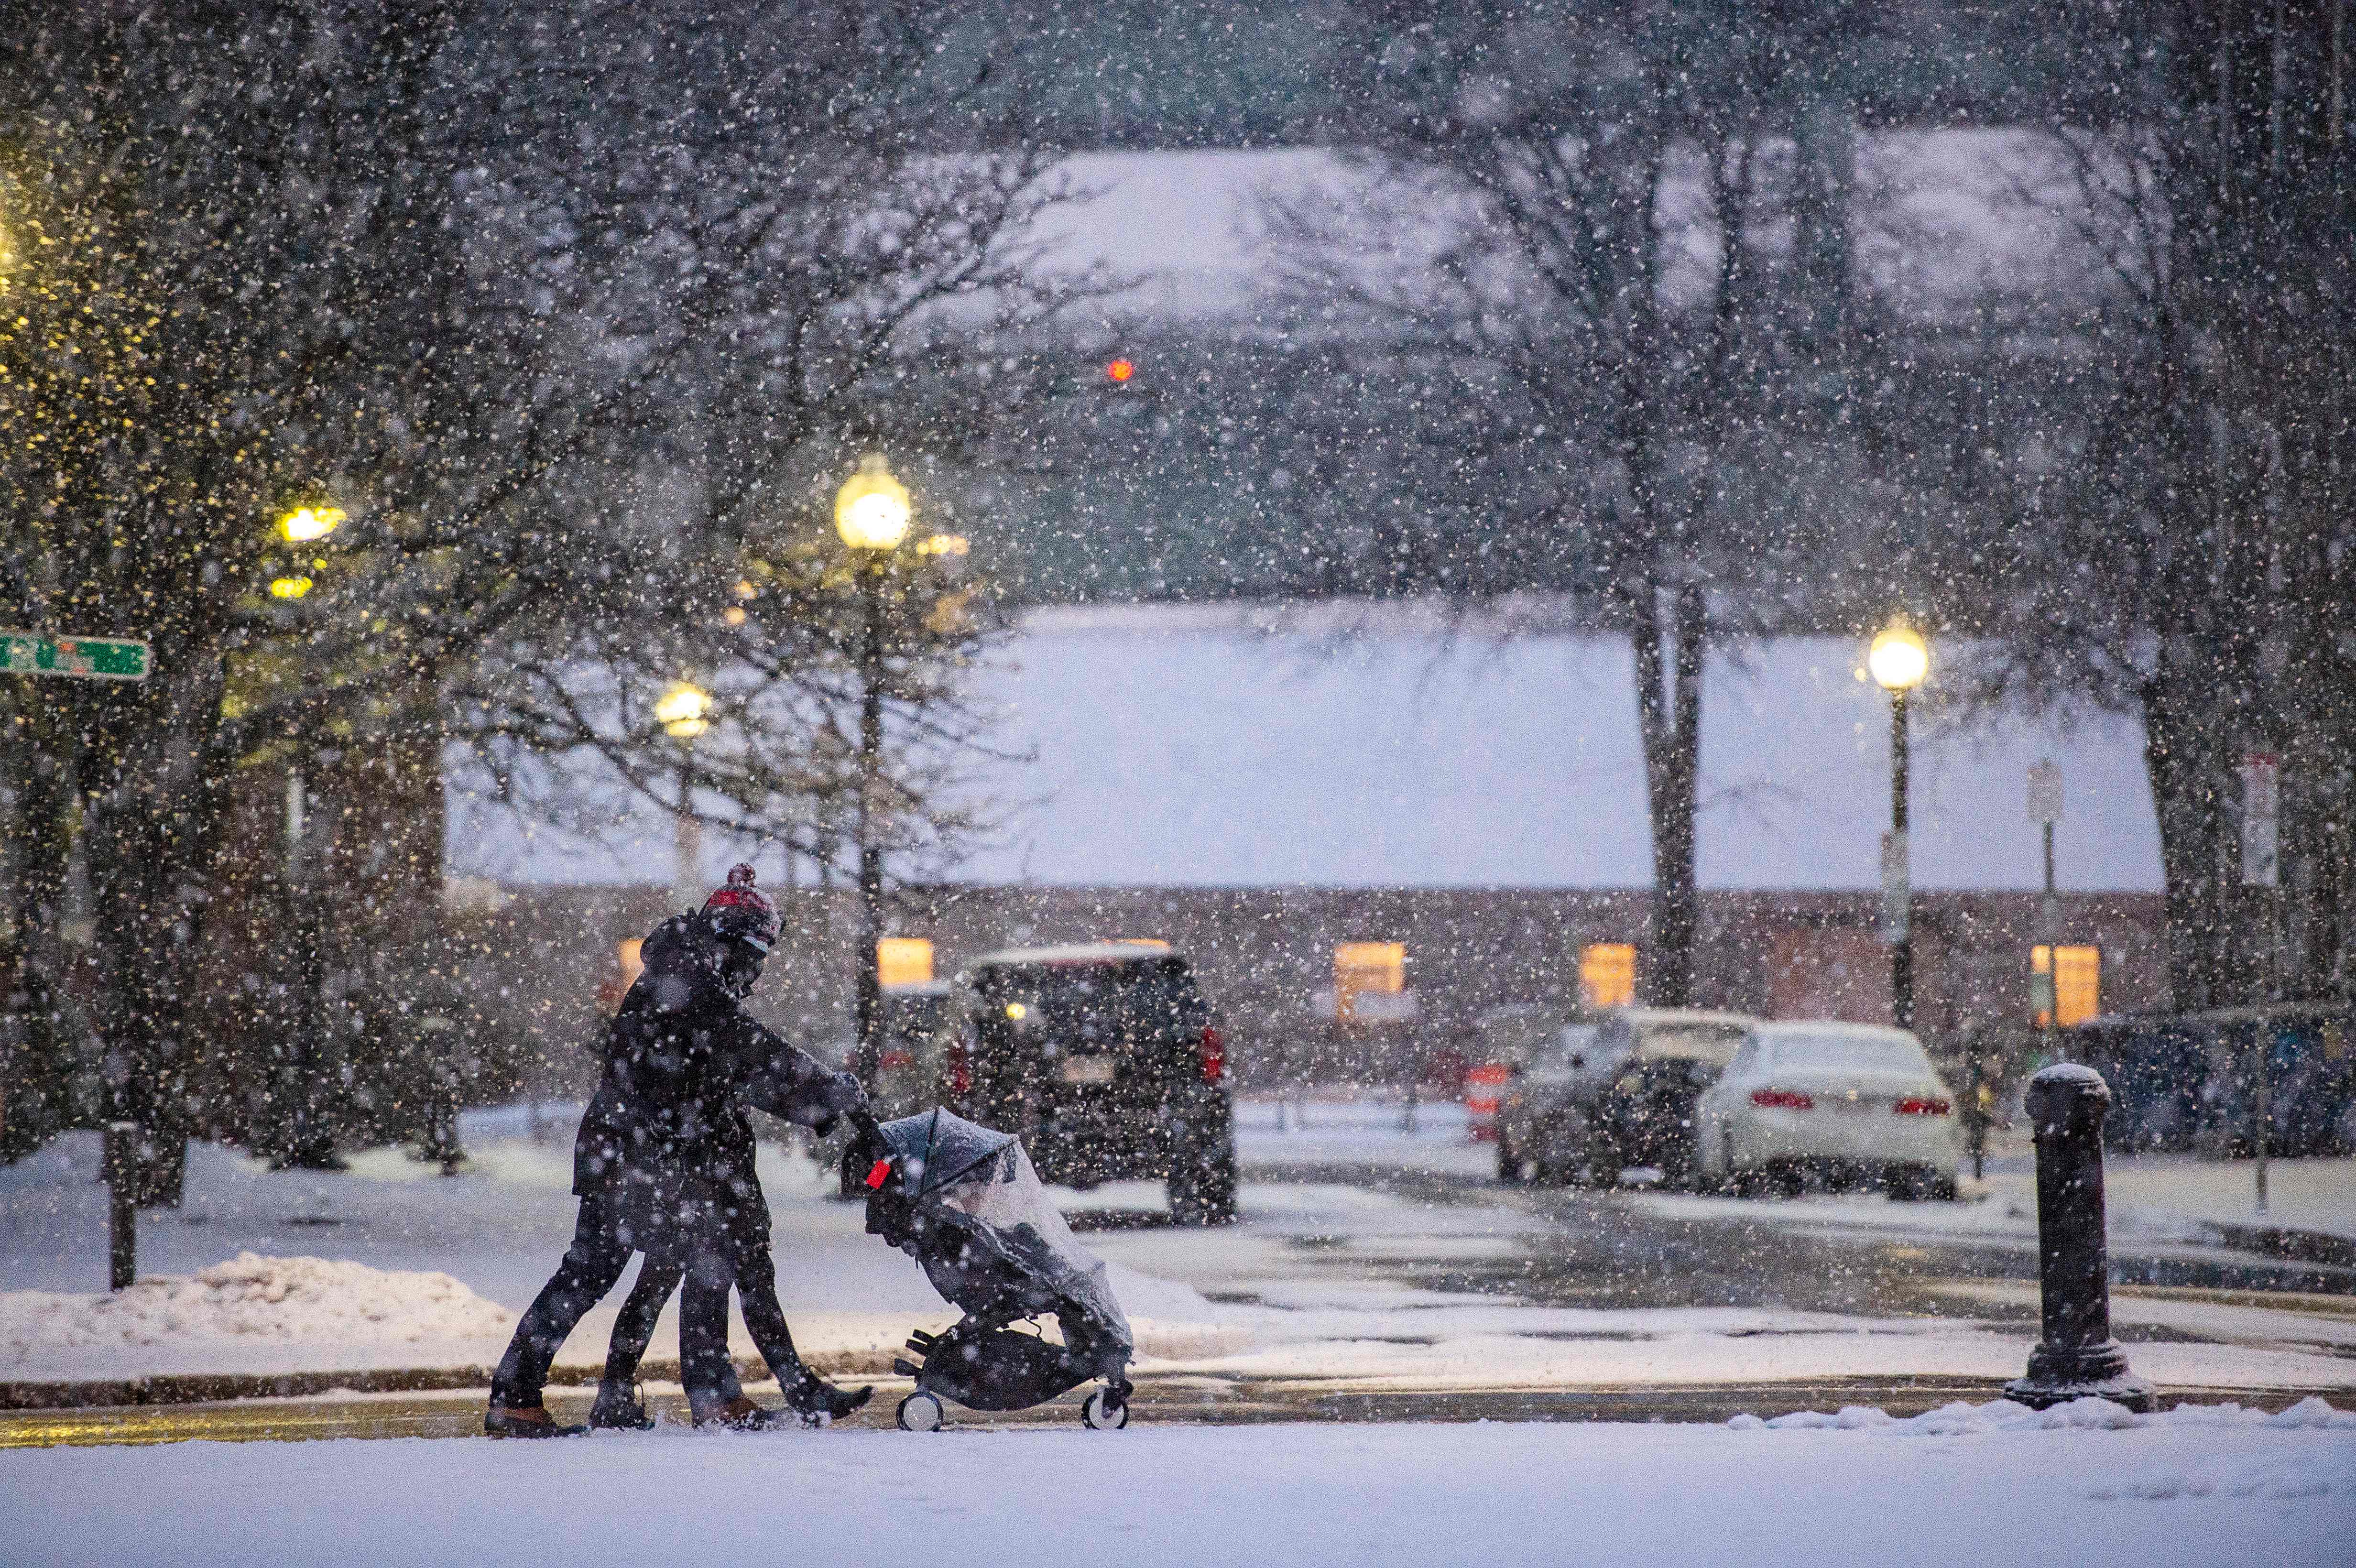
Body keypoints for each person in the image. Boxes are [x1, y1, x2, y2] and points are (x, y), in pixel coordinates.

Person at [485, 865, 871, 1436]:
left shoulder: (688, 972)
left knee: (683, 1258)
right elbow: (748, 1047)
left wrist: (814, 1101)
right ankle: (523, 1396)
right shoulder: (689, 978)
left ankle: (695, 1395)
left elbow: (734, 1069)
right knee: (600, 1270)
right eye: (756, 958)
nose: (757, 974)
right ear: (733, 944)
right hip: (633, 1152)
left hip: (642, 1149)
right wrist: (823, 1086)